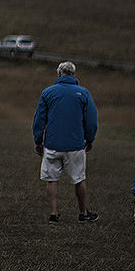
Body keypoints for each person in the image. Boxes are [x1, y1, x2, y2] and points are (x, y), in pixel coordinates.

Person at [32, 60, 99, 223]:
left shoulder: (47, 92)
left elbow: (39, 119)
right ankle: (83, 213)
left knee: (52, 178)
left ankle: (54, 214)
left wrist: (38, 140)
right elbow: (91, 120)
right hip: (75, 145)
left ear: (58, 73)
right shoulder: (83, 93)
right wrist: (90, 139)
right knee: (79, 179)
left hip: (52, 144)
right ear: (74, 74)